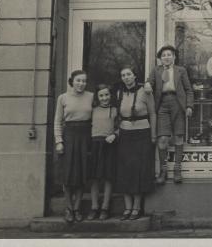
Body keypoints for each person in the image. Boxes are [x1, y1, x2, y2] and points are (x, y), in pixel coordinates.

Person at [144, 45, 193, 184]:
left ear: (174, 57)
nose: (166, 57)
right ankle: (163, 170)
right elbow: (149, 82)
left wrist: (189, 106)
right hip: (162, 104)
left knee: (178, 136)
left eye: (169, 54)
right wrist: (147, 84)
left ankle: (177, 169)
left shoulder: (181, 70)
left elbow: (189, 90)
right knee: (163, 139)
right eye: (163, 55)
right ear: (160, 58)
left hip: (178, 103)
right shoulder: (156, 70)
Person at [115, 66, 156, 220]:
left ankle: (137, 207)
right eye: (123, 75)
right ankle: (127, 207)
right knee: (125, 170)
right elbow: (117, 116)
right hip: (125, 135)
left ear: (134, 76)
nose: (126, 77)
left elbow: (153, 113)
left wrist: (153, 135)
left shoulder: (145, 92)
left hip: (142, 134)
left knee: (138, 170)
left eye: (128, 74)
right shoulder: (119, 93)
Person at [54, 70, 94, 223]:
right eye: (78, 80)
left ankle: (77, 208)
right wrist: (59, 141)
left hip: (86, 137)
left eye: (84, 81)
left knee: (81, 175)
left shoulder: (91, 97)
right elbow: (57, 121)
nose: (81, 84)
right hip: (68, 136)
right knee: (68, 175)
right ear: (72, 81)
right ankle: (68, 208)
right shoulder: (63, 98)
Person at [87, 84, 118, 221]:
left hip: (109, 144)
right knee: (94, 177)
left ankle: (105, 207)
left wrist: (115, 135)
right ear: (97, 97)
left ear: (110, 96)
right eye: (101, 95)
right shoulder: (92, 111)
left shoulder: (115, 110)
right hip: (95, 144)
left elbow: (121, 126)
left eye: (106, 95)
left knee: (107, 176)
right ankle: (94, 207)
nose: (104, 98)